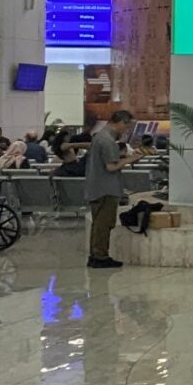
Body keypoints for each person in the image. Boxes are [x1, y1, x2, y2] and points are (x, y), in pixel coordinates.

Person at [85, 107, 135, 269]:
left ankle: (95, 255)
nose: (126, 130)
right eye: (127, 126)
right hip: (106, 188)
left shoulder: (99, 137)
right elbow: (111, 166)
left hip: (96, 186)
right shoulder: (108, 141)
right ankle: (100, 256)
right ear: (121, 122)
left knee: (98, 224)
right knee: (104, 224)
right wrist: (130, 160)